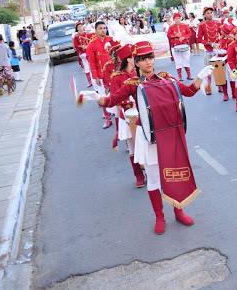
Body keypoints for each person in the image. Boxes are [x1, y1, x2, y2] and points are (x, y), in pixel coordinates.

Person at [83, 41, 213, 234]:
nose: (148, 62)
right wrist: (96, 97)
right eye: (143, 59)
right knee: (153, 180)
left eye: (150, 58)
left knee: (175, 174)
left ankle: (179, 211)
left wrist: (200, 77)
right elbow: (111, 100)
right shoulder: (132, 84)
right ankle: (159, 217)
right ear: (136, 62)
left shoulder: (166, 78)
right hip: (150, 138)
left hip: (170, 135)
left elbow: (188, 92)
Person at [109, 43, 145, 188]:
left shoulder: (140, 73)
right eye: (133, 56)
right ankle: (139, 176)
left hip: (144, 113)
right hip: (128, 115)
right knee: (132, 146)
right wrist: (130, 103)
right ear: (128, 59)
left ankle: (150, 171)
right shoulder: (116, 77)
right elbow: (115, 98)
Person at [85, 21, 114, 129]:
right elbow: (91, 62)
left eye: (105, 28)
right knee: (103, 97)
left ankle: (118, 115)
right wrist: (96, 76)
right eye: (101, 28)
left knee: (116, 94)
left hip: (114, 73)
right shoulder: (92, 44)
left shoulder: (111, 40)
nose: (103, 30)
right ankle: (107, 119)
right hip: (101, 75)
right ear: (96, 30)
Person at [197, 6, 222, 95]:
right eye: (208, 13)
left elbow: (222, 34)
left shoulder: (217, 23)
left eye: (211, 12)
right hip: (208, 50)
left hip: (217, 50)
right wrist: (210, 44)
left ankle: (220, 86)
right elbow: (199, 39)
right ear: (204, 15)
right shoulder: (202, 25)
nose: (210, 14)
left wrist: (219, 41)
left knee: (218, 69)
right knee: (208, 70)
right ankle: (208, 87)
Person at [167, 13, 193, 81]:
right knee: (178, 62)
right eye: (176, 19)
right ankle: (180, 77)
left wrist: (184, 37)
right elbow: (168, 35)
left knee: (186, 60)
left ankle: (189, 75)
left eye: (178, 18)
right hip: (175, 47)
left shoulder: (185, 25)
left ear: (180, 18)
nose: (177, 20)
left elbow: (190, 33)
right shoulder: (171, 27)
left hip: (185, 45)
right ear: (174, 19)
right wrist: (176, 35)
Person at [73, 22, 94, 87]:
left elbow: (92, 40)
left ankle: (94, 80)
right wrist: (81, 47)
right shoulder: (76, 37)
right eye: (79, 27)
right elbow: (76, 45)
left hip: (89, 52)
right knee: (87, 67)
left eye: (81, 26)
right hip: (83, 53)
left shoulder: (87, 34)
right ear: (77, 29)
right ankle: (89, 81)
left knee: (92, 66)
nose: (80, 28)